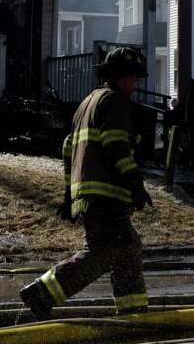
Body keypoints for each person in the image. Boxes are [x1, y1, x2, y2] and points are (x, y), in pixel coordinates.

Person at [19, 46, 153, 319]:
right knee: (106, 251)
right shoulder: (114, 102)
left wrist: (69, 195)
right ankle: (43, 291)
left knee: (126, 249)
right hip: (107, 194)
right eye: (134, 78)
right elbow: (116, 144)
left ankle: (133, 312)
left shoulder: (86, 104)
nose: (135, 84)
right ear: (122, 77)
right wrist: (135, 181)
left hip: (91, 194)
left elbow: (68, 149)